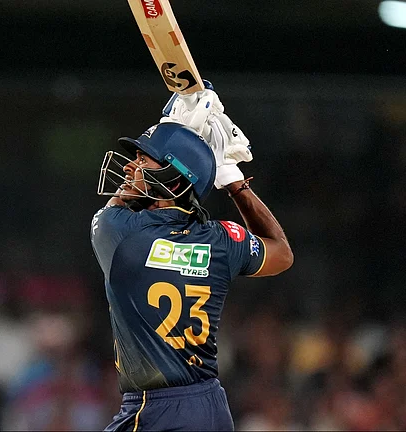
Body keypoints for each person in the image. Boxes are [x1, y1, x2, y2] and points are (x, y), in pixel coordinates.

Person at [90, 82, 294, 431]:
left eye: (142, 159)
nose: (128, 168)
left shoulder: (120, 233)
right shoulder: (222, 239)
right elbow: (282, 252)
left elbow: (114, 206)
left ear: (172, 176)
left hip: (154, 410)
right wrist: (233, 181)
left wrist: (176, 131)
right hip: (211, 406)